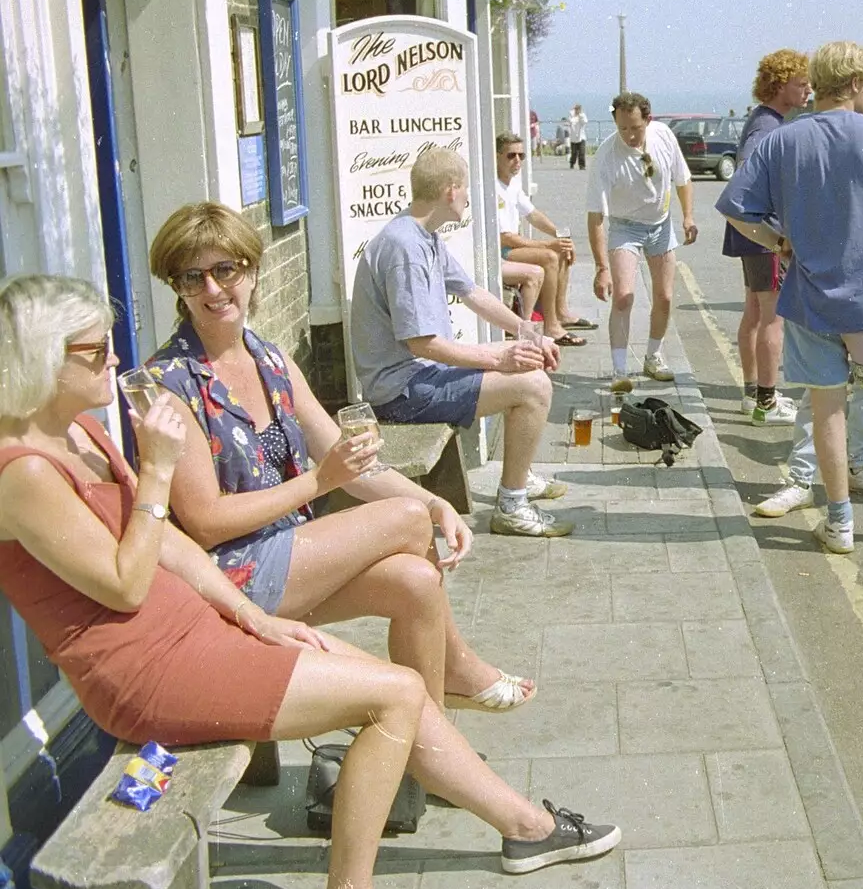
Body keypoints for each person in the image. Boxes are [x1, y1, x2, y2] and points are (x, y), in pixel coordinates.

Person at [0, 274, 620, 889]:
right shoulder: (22, 470)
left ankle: (526, 827)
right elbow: (126, 587)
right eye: (94, 348)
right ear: (44, 357)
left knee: (400, 687)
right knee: (395, 694)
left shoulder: (78, 430)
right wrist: (158, 472)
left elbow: (169, 545)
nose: (112, 355)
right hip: (143, 671)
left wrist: (251, 616)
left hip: (193, 629)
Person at [143, 203, 533, 712]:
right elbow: (205, 522)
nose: (214, 290)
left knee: (416, 583)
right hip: (225, 579)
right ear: (176, 288)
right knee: (406, 520)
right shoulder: (170, 384)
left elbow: (351, 462)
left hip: (287, 554)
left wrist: (438, 506)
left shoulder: (271, 360)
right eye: (193, 277)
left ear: (252, 270)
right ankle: (458, 670)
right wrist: (318, 484)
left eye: (225, 270)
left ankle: (428, 746)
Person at [717, 40, 863, 552]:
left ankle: (840, 520)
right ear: (857, 84)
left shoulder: (784, 139)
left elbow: (736, 205)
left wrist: (778, 240)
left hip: (809, 297)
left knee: (826, 408)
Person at [350, 147, 571, 539]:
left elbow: (472, 293)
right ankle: (512, 506)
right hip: (401, 393)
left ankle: (520, 476)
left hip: (421, 376)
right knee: (533, 386)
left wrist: (528, 333)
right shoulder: (405, 250)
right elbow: (423, 344)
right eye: (466, 188)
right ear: (451, 191)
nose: (469, 197)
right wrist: (499, 358)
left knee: (526, 364)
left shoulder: (424, 236)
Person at [753, 179, 863, 518]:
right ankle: (802, 479)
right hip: (825, 300)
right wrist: (782, 246)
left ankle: (859, 468)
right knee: (818, 395)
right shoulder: (837, 167)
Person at [586, 91, 697, 392]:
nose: (629, 135)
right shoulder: (606, 156)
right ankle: (619, 369)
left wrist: (687, 217)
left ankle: (653, 356)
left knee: (664, 297)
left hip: (661, 224)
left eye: (635, 127)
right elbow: (595, 216)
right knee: (623, 296)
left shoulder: (663, 135)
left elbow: (683, 178)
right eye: (623, 128)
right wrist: (601, 268)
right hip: (625, 227)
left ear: (648, 119)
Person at [729, 50, 810, 425]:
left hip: (752, 230)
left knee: (755, 312)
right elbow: (749, 164)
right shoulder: (769, 125)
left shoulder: (764, 119)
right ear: (779, 86)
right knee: (772, 317)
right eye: (800, 83)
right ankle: (767, 400)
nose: (807, 89)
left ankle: (753, 395)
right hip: (766, 232)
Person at [494, 131, 593, 345]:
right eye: (511, 156)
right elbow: (506, 238)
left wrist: (561, 236)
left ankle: (561, 312)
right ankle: (551, 326)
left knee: (561, 250)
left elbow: (533, 214)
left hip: (509, 246)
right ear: (497, 156)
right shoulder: (494, 187)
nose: (517, 161)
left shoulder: (512, 184)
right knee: (549, 256)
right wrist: (549, 243)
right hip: (498, 252)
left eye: (521, 155)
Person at [567, 103, 588, 170]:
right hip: (573, 138)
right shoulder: (572, 116)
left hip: (581, 137)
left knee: (582, 152)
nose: (577, 110)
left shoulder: (582, 116)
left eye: (578, 109)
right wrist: (572, 114)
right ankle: (572, 163)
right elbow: (570, 121)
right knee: (574, 153)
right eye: (576, 109)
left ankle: (582, 165)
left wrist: (580, 116)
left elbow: (585, 121)